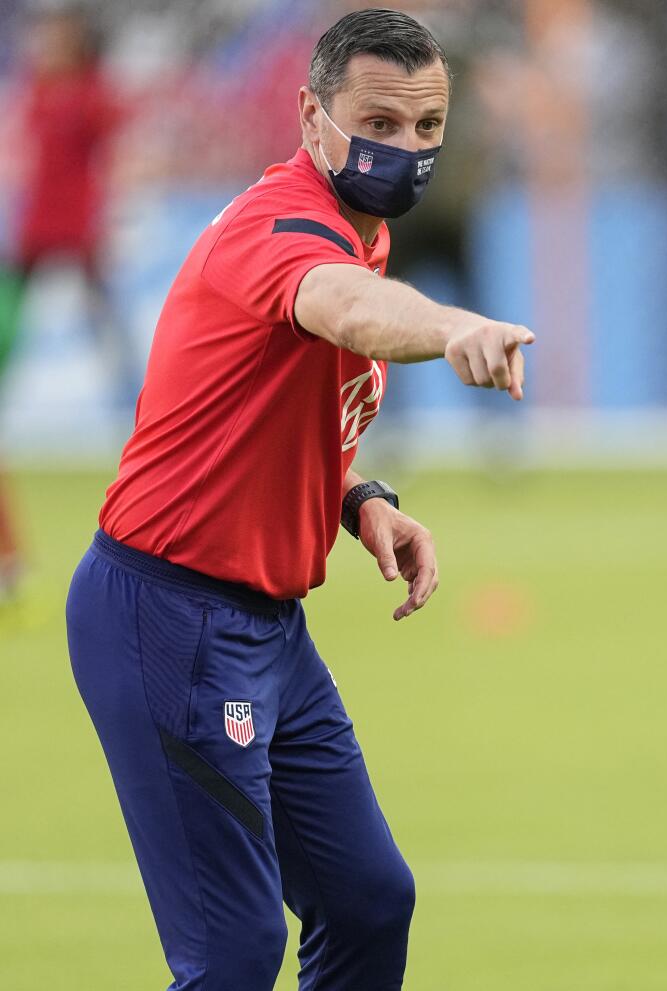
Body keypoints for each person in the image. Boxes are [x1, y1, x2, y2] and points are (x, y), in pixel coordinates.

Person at [65, 9, 534, 989]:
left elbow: (273, 413)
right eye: (379, 121)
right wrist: (451, 330)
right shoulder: (284, 229)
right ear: (311, 117)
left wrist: (360, 498)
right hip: (171, 618)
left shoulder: (361, 233)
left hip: (261, 626)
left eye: (426, 128)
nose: (405, 149)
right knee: (232, 956)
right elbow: (346, 310)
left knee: (368, 903)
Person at [0, 5, 124, 604]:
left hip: (75, 225)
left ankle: (140, 410)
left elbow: (113, 150)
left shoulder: (89, 93)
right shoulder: (43, 88)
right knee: (20, 322)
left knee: (107, 326)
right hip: (36, 228)